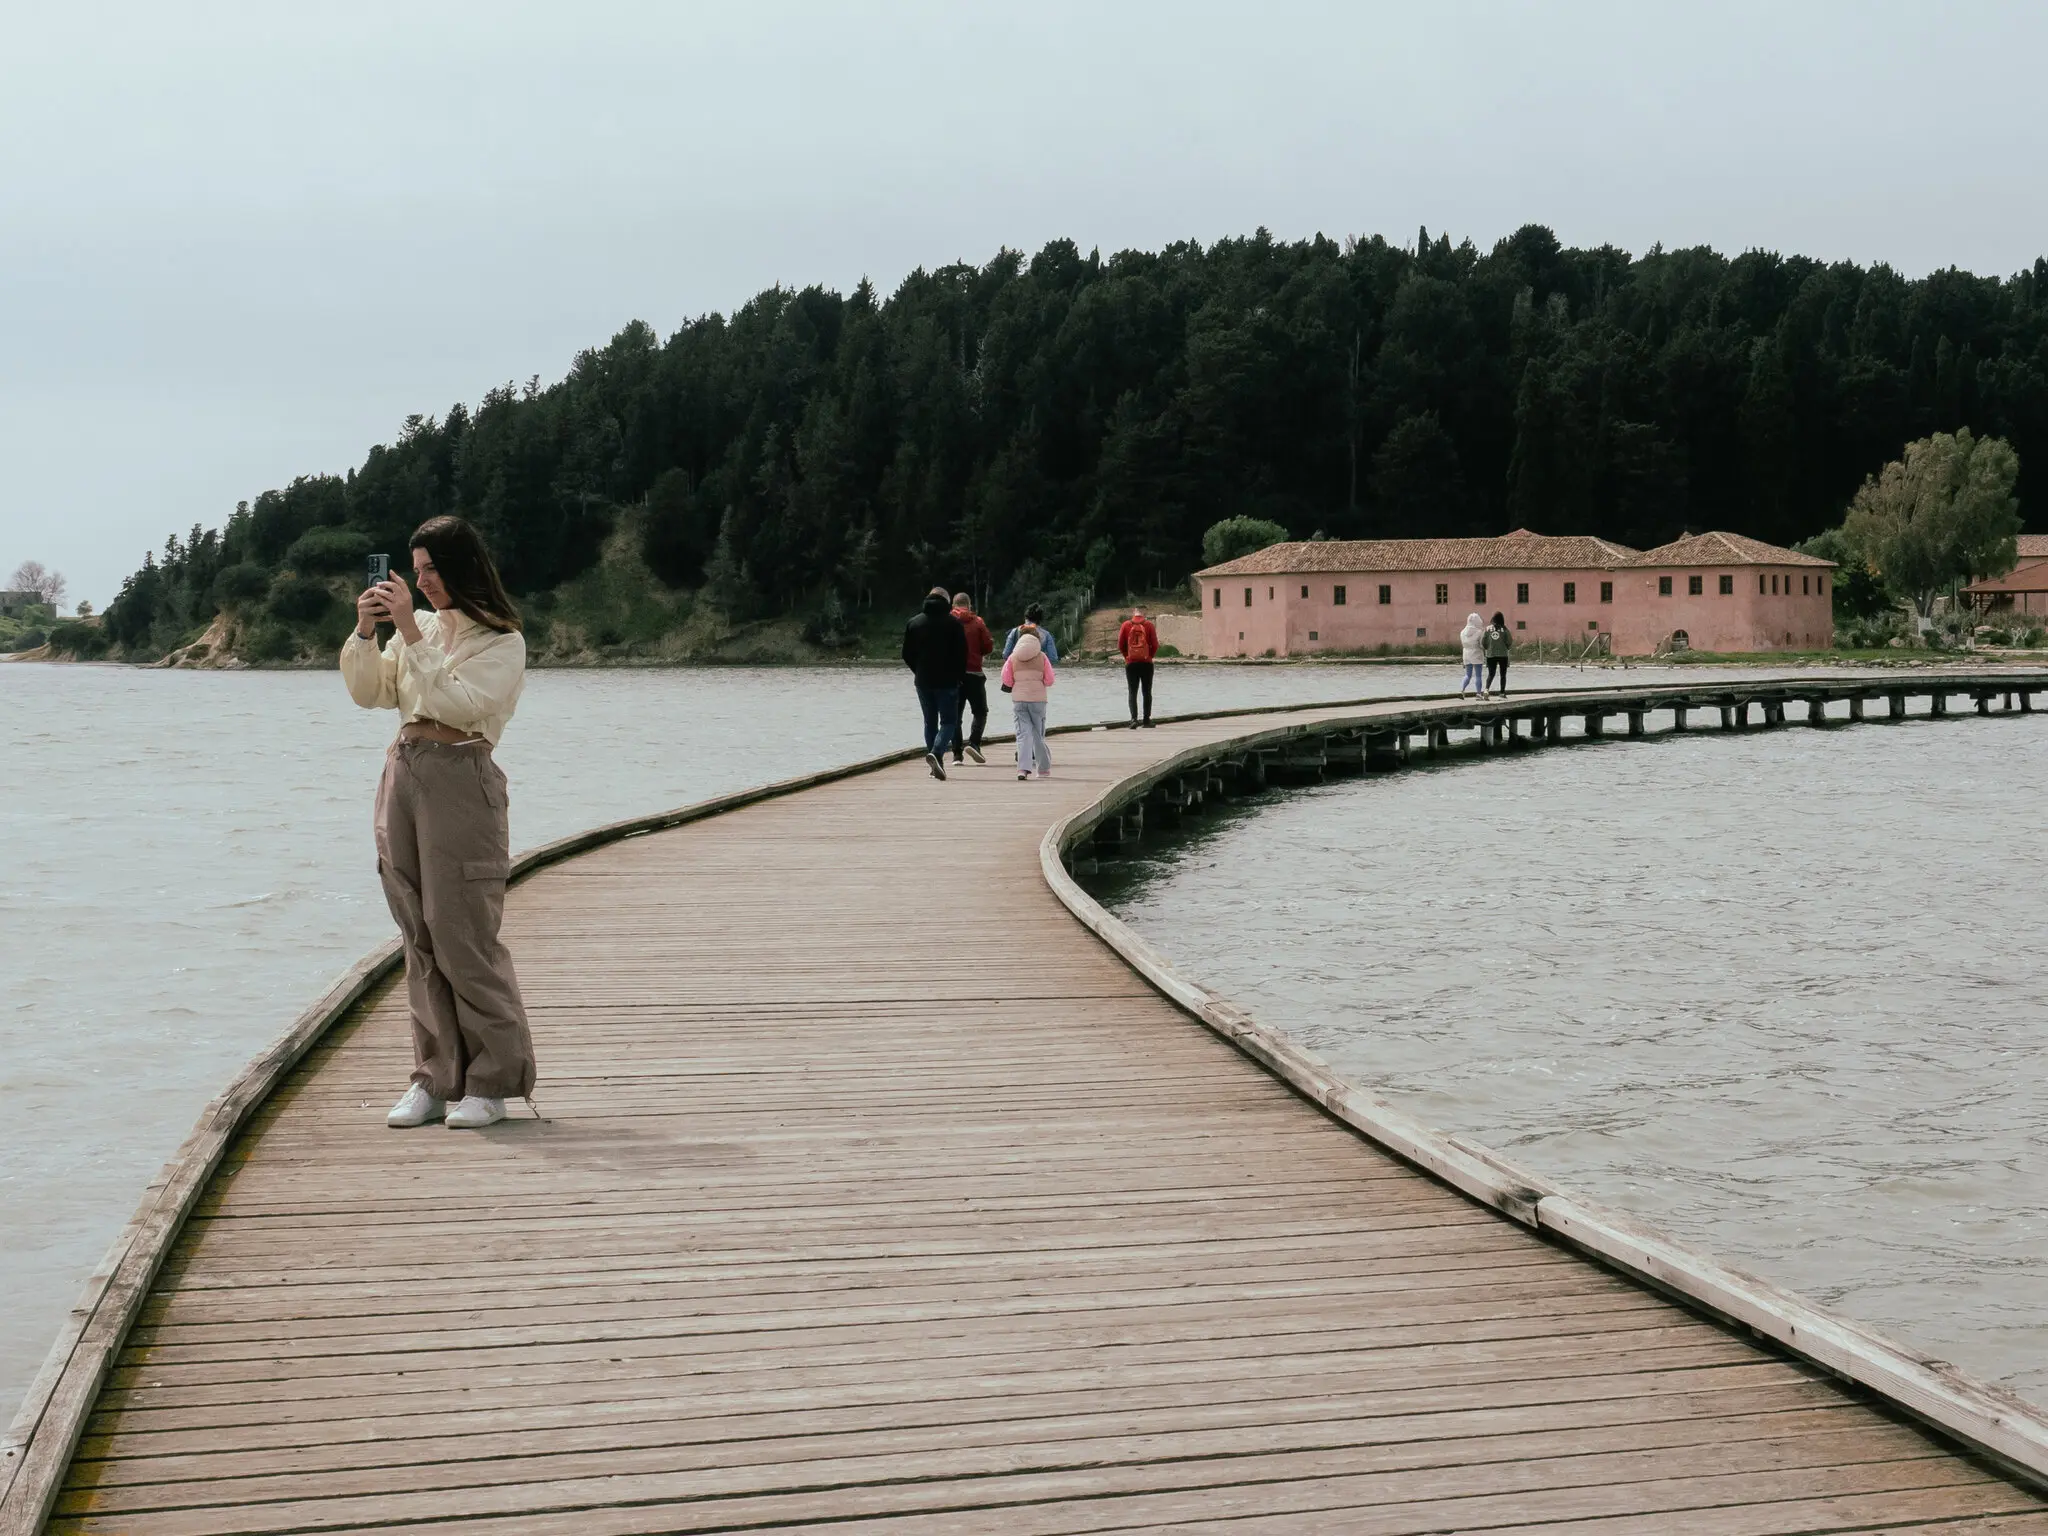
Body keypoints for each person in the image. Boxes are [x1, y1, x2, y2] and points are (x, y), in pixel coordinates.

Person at [341, 516, 537, 1132]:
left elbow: (459, 705)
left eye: (431, 569)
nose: (420, 581)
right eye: (416, 569)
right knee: (416, 928)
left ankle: (491, 1082)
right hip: (403, 771)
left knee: (462, 929)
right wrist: (367, 631)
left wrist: (407, 629)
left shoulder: (502, 641)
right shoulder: (421, 628)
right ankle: (434, 1076)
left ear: (461, 568)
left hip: (461, 777)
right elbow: (371, 694)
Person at [901, 585, 967, 779]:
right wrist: (959, 676)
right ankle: (937, 753)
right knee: (949, 722)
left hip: (923, 681)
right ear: (947, 602)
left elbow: (906, 654)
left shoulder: (914, 623)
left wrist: (918, 670)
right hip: (948, 681)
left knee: (929, 722)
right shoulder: (954, 624)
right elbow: (962, 654)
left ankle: (934, 766)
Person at [1002, 627, 1056, 778]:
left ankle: (1023, 769)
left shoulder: (1013, 657)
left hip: (1019, 700)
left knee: (1023, 735)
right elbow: (1050, 680)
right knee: (1038, 734)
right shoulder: (1042, 657)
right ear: (1038, 639)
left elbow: (1006, 679)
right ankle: (1043, 769)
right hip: (1038, 700)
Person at [949, 592, 994, 766]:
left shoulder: (947, 622)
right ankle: (974, 743)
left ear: (954, 605)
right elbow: (988, 646)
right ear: (969, 605)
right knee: (980, 712)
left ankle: (956, 755)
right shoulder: (977, 622)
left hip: (953, 675)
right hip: (974, 673)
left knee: (955, 716)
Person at [1117, 606, 1160, 727]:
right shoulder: (1149, 625)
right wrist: (1149, 656)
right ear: (1144, 612)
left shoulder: (1126, 625)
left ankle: (1134, 719)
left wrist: (1127, 657)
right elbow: (1155, 645)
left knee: (1132, 692)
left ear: (1134, 612)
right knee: (1147, 692)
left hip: (1131, 663)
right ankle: (1146, 720)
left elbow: (1120, 645)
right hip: (1146, 663)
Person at [1483, 610, 1513, 696]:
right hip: (1503, 655)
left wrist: (1487, 648)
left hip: (1491, 654)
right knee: (1503, 674)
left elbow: (1483, 641)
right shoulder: (1505, 629)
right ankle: (1502, 692)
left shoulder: (1488, 629)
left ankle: (1486, 690)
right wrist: (1507, 647)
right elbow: (1509, 641)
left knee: (1491, 674)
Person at [1458, 611, 1486, 697]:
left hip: (1466, 654)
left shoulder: (1462, 632)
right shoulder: (1479, 632)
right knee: (1478, 675)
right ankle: (1478, 693)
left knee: (1468, 675)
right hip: (1476, 654)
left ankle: (1462, 690)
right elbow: (1481, 645)